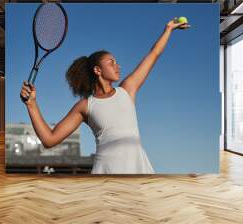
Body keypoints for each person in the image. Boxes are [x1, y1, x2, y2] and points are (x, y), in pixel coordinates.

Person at [20, 18, 190, 174]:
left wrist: (168, 29)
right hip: (106, 171)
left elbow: (153, 54)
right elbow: (49, 140)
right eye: (112, 62)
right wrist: (31, 105)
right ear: (97, 70)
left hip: (138, 167)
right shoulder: (85, 106)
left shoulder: (127, 89)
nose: (118, 65)